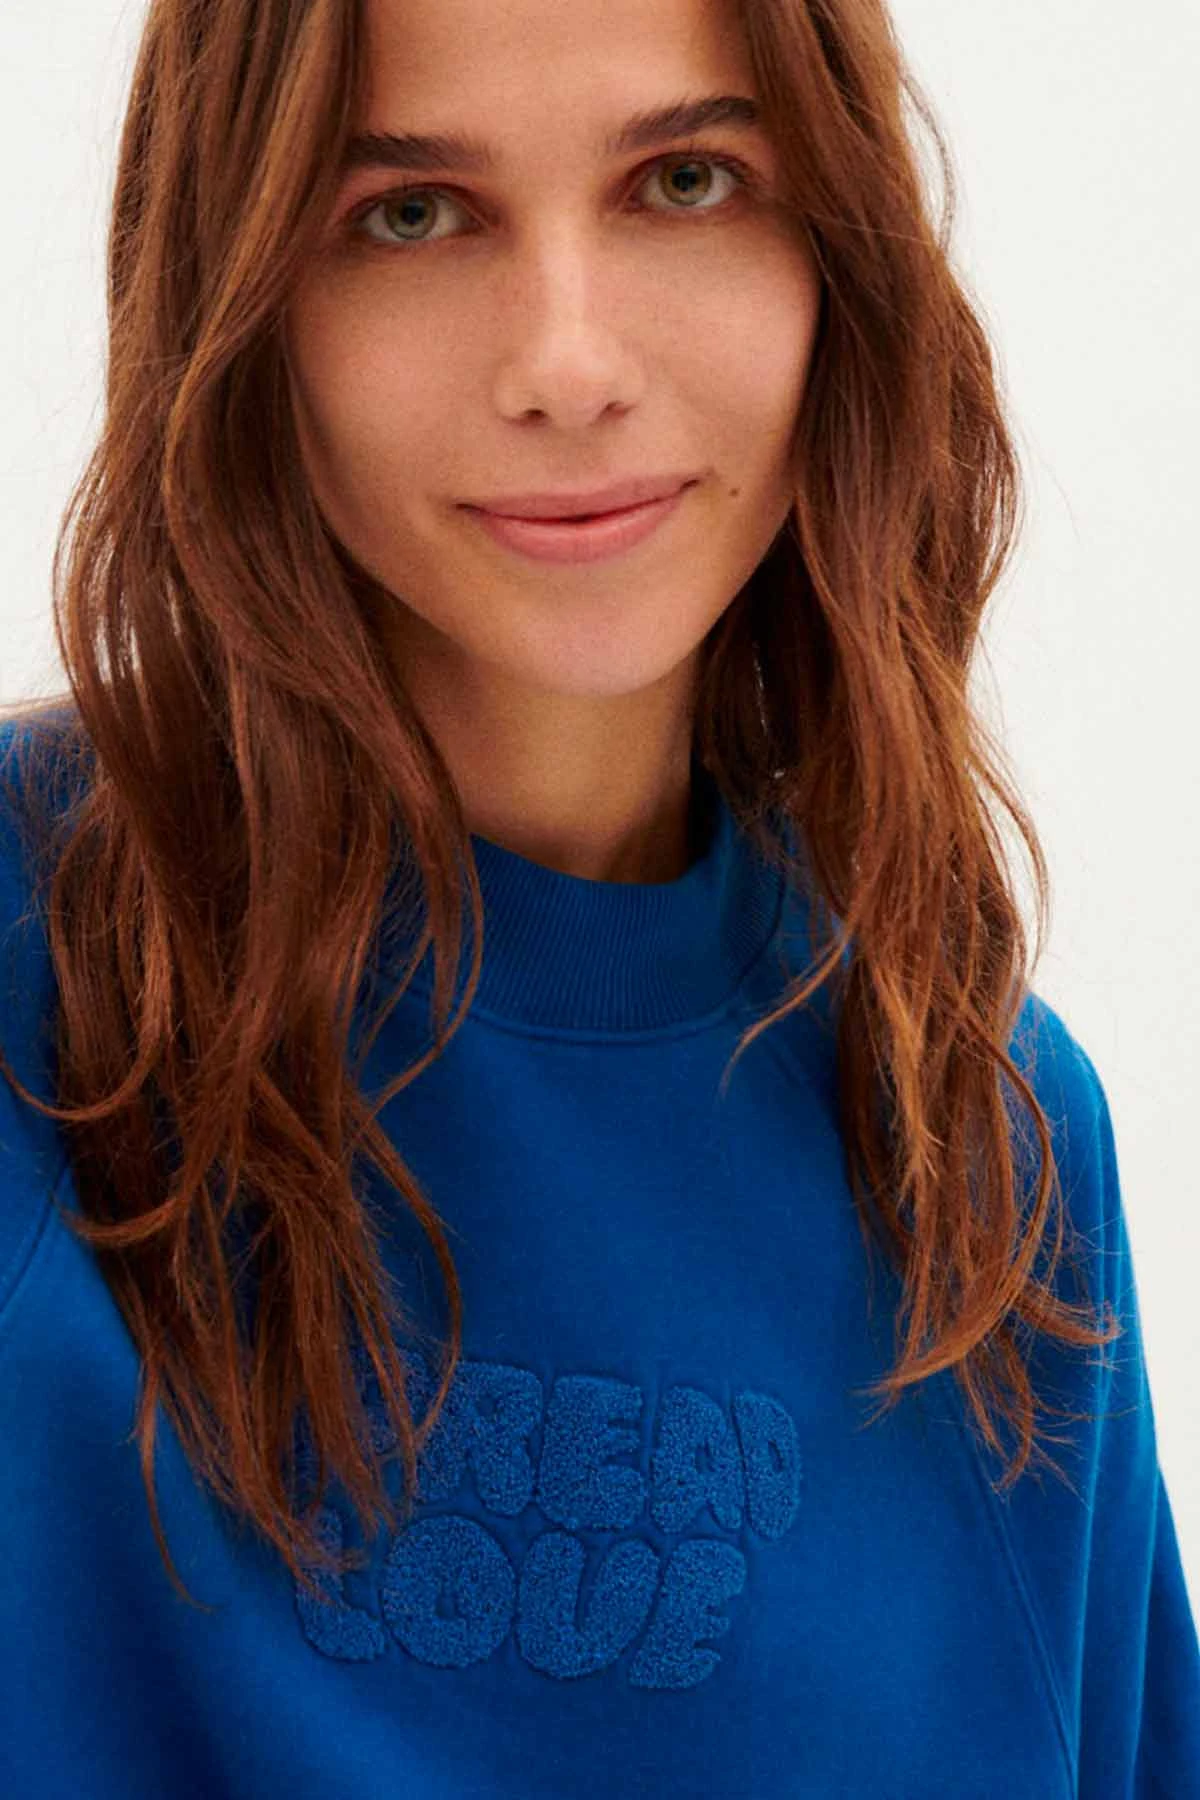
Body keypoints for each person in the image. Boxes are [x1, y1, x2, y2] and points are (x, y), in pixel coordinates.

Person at [0, 0, 1197, 1793]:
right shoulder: (33, 967)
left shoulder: (987, 1150)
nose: (566, 362)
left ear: (837, 257)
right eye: (410, 213)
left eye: (687, 181)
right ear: (240, 293)